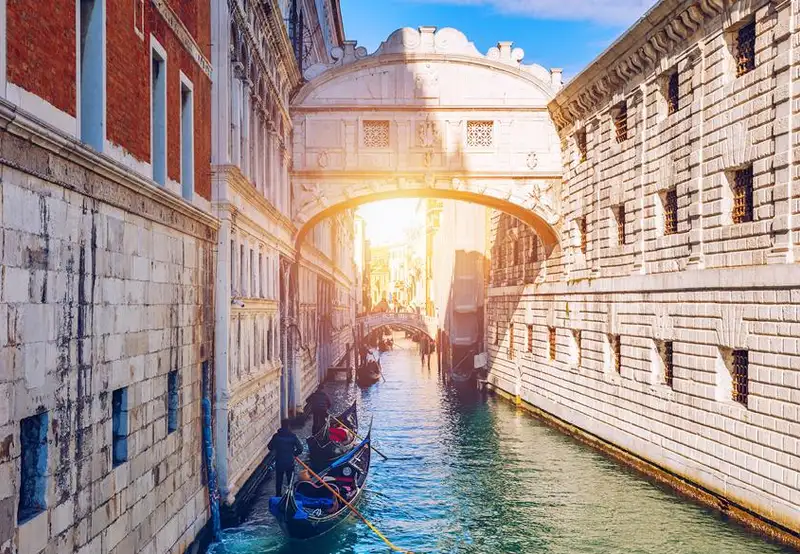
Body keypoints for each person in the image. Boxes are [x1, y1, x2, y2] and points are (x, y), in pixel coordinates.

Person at [268, 419, 303, 497]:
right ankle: (291, 496)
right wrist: (293, 454)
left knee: (279, 481)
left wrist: (277, 448)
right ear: (289, 426)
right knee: (290, 480)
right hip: (289, 462)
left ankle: (278, 496)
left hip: (279, 461)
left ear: (282, 425)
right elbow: (300, 448)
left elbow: (270, 447)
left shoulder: (276, 436)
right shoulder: (293, 437)